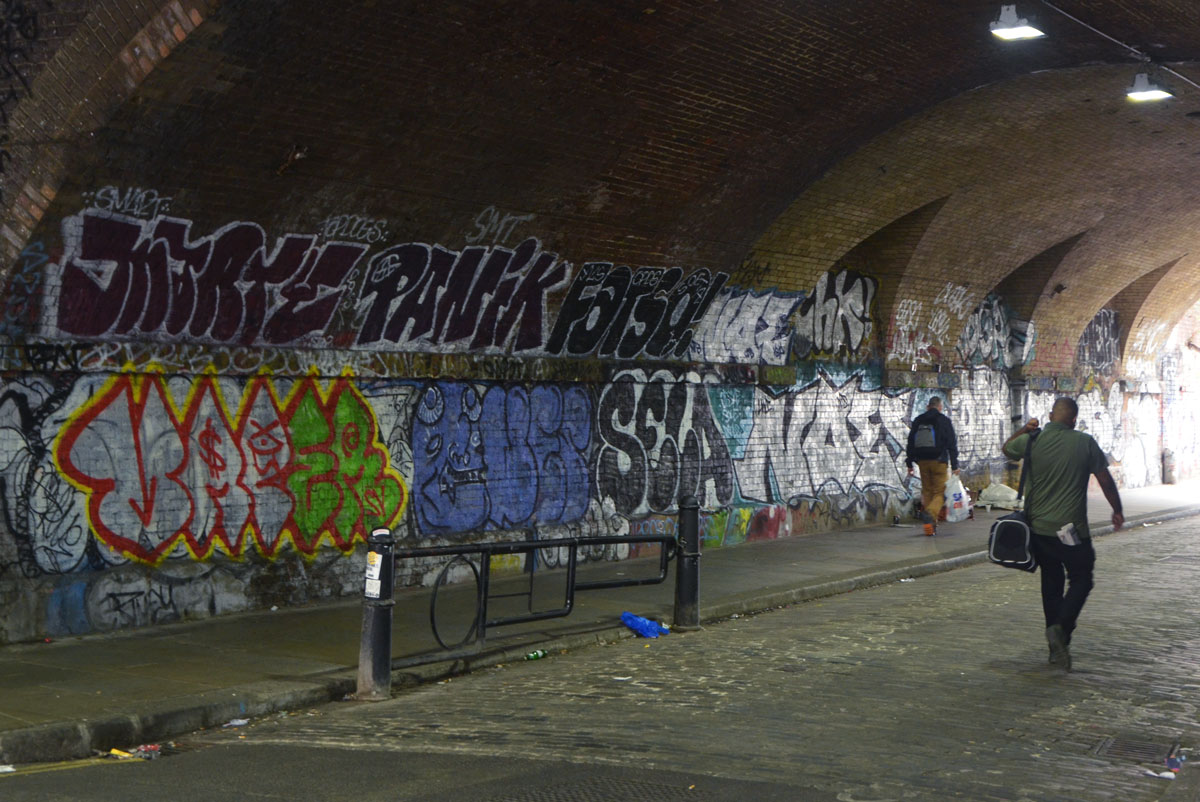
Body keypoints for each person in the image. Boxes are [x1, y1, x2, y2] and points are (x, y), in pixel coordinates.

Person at [1002, 397, 1124, 672]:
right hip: (1073, 531)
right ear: (1073, 420)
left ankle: (1055, 650)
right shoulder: (1084, 442)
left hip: (1040, 530)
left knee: (1052, 584)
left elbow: (1007, 449)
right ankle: (1061, 630)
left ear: (1049, 416)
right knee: (1082, 579)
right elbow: (1104, 479)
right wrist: (1117, 509)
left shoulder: (1034, 440)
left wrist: (1025, 429)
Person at [905, 396, 959, 536]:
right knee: (940, 492)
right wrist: (955, 465)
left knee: (928, 491)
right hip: (939, 461)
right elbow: (952, 444)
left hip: (922, 461)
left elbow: (911, 442)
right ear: (940, 407)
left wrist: (909, 462)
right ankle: (930, 513)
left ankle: (931, 526)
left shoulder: (918, 420)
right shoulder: (944, 420)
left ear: (928, 406)